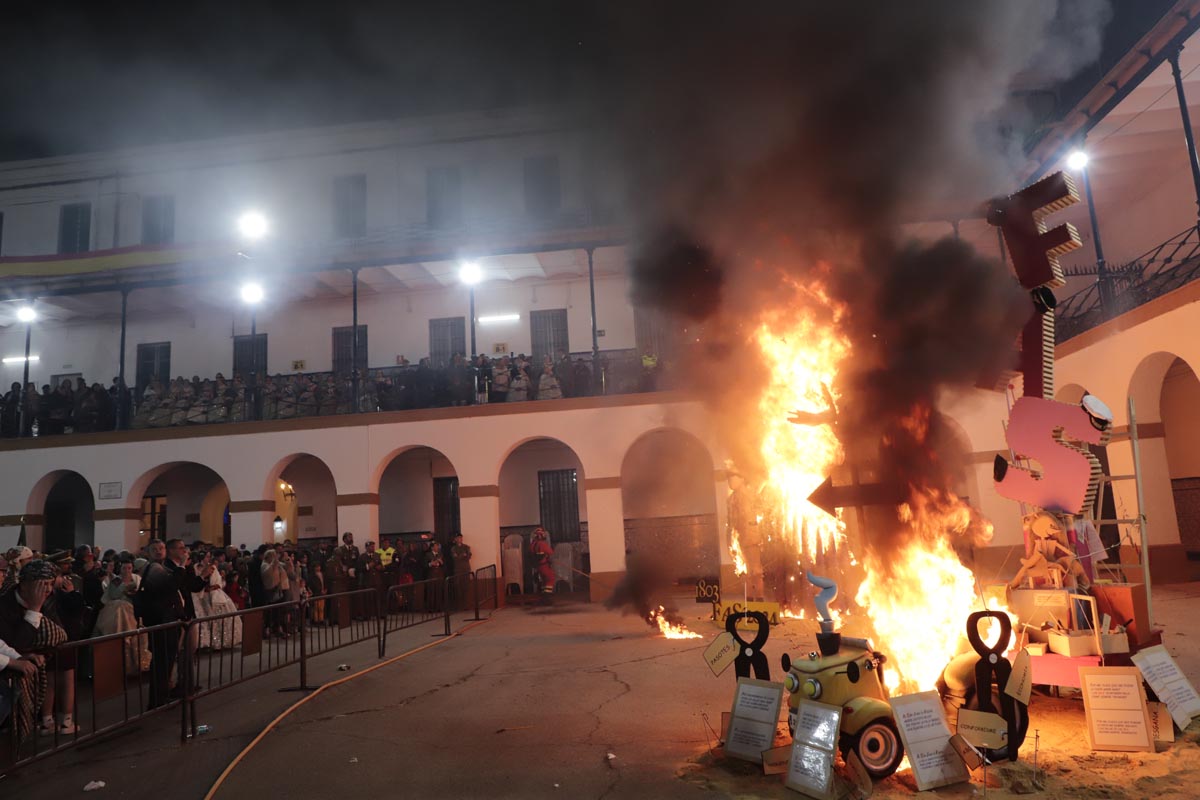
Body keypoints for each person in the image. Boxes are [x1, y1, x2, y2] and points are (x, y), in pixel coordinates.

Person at [139, 539, 208, 708]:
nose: (158, 551)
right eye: (154, 549)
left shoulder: (162, 568)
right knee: (162, 662)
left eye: (161, 548)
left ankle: (162, 697)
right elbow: (171, 586)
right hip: (161, 620)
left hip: (170, 618)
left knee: (166, 661)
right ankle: (158, 701)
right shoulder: (154, 568)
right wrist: (182, 566)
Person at [0, 560, 59, 740]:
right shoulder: (4, 606)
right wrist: (34, 609)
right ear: (25, 585)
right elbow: (17, 641)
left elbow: (57, 634)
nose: (47, 590)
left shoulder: (48, 602)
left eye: (50, 584)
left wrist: (22, 657)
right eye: (42, 584)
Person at [93, 559, 151, 675]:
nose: (127, 571)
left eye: (129, 568)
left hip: (134, 609)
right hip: (118, 610)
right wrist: (125, 591)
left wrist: (136, 594)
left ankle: (138, 665)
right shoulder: (116, 580)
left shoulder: (136, 578)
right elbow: (112, 595)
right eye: (124, 568)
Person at [727, 468, 765, 601]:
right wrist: (731, 539)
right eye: (729, 479)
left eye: (733, 478)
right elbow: (731, 521)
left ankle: (759, 600)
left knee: (756, 570)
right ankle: (749, 600)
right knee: (746, 571)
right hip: (739, 537)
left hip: (750, 536)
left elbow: (760, 511)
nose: (730, 481)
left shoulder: (750, 494)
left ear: (742, 479)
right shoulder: (732, 498)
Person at [530, 527, 556, 601]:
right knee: (550, 579)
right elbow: (550, 552)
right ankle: (546, 597)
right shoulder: (542, 544)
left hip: (538, 567)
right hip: (544, 565)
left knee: (544, 581)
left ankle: (543, 596)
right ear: (541, 535)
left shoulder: (533, 544)